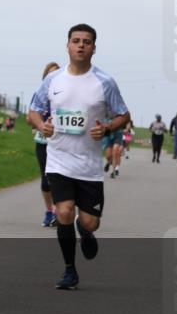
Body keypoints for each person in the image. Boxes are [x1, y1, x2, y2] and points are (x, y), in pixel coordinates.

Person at [27, 24, 129, 290]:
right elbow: (33, 111)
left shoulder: (105, 82)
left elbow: (123, 114)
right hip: (59, 160)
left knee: (89, 221)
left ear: (94, 48)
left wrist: (107, 127)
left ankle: (85, 232)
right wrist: (42, 125)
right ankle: (69, 270)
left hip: (90, 166)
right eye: (76, 41)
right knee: (63, 211)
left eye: (86, 41)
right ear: (67, 46)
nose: (81, 45)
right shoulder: (53, 80)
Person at [31, 61, 60, 227]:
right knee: (45, 179)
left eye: (56, 73)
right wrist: (39, 122)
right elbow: (30, 117)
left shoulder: (65, 94)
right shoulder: (39, 95)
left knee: (57, 177)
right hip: (42, 140)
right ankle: (49, 210)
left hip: (60, 142)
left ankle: (58, 210)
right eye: (50, 74)